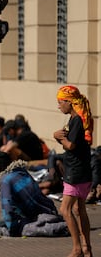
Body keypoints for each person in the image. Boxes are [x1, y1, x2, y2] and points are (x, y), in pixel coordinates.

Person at [54, 85, 93, 257]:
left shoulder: (76, 120)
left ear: (69, 102)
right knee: (79, 209)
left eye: (60, 102)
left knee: (65, 209)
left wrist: (59, 136)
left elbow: (71, 145)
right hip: (82, 170)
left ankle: (77, 248)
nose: (59, 106)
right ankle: (86, 248)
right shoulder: (77, 120)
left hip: (75, 172)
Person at [0, 160, 67, 237]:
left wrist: (13, 230)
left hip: (40, 216)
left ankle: (67, 227)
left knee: (24, 229)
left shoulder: (5, 181)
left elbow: (8, 210)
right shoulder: (21, 174)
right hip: (48, 211)